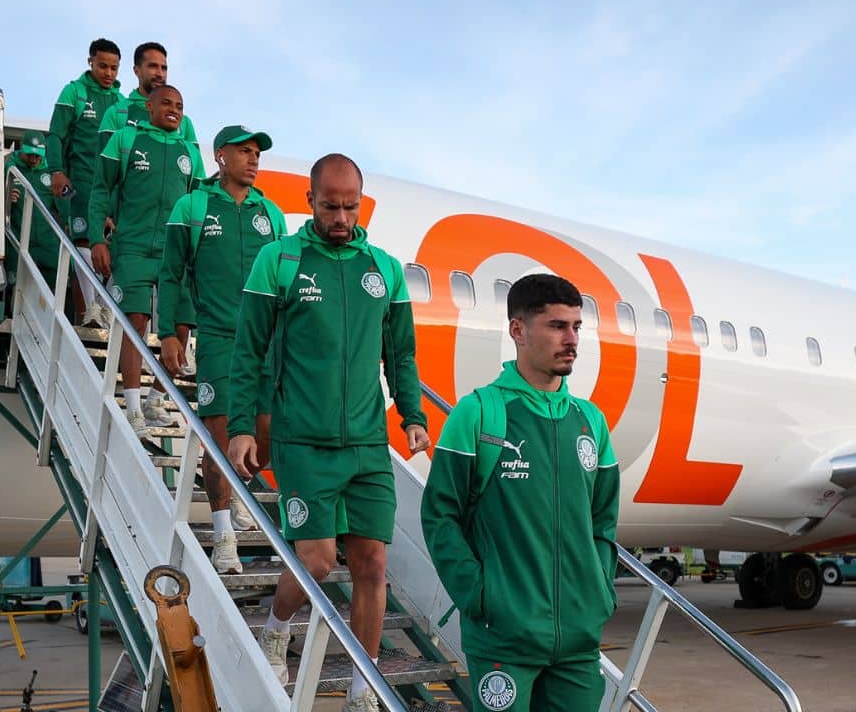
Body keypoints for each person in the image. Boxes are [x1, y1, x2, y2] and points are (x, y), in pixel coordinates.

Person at [226, 154, 429, 712]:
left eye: (350, 206)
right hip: (303, 441)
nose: (341, 216)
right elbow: (249, 353)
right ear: (311, 201)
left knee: (373, 564)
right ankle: (276, 625)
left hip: (366, 443)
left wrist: (411, 415)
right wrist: (242, 426)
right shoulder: (281, 260)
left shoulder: (383, 269)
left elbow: (402, 356)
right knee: (315, 561)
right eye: (330, 205)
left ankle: (365, 688)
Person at [420, 273, 621, 712]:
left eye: (576, 327)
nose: (571, 339)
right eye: (556, 326)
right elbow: (440, 517)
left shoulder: (591, 422)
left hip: (577, 641)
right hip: (503, 639)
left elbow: (603, 521)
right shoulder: (479, 413)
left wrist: (599, 593)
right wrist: (480, 595)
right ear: (518, 330)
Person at [157, 125, 287, 574]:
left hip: (269, 344)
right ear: (220, 156)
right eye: (244, 152)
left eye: (257, 153)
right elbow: (171, 273)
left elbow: (284, 283)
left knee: (265, 439)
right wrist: (169, 333)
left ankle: (240, 499)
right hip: (220, 341)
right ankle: (224, 535)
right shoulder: (192, 206)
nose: (253, 160)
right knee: (220, 441)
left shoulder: (270, 214)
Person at [86, 85, 203, 437]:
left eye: (180, 106)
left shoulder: (189, 153)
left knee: (181, 325)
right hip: (134, 248)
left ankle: (156, 398)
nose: (174, 110)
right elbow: (100, 189)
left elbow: (197, 206)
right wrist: (96, 239)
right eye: (166, 103)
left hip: (176, 257)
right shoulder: (125, 139)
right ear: (148, 106)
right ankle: (134, 409)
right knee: (134, 326)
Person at [45, 38, 125, 324]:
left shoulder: (121, 102)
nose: (108, 73)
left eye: (114, 68)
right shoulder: (74, 92)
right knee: (83, 243)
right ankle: (87, 313)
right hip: (80, 181)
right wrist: (56, 170)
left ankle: (104, 308)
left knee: (111, 245)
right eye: (103, 66)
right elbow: (56, 134)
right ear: (90, 61)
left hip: (113, 186)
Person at [97, 42, 197, 146]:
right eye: (153, 66)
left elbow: (193, 160)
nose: (160, 74)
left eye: (164, 68)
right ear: (136, 71)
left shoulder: (184, 122)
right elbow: (104, 161)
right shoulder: (116, 113)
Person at [3, 130, 67, 292]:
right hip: (19, 243)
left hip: (48, 245)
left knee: (54, 292)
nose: (34, 159)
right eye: (30, 154)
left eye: (38, 155)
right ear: (22, 149)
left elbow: (68, 204)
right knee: (17, 292)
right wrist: (5, 197)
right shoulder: (9, 168)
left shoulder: (52, 172)